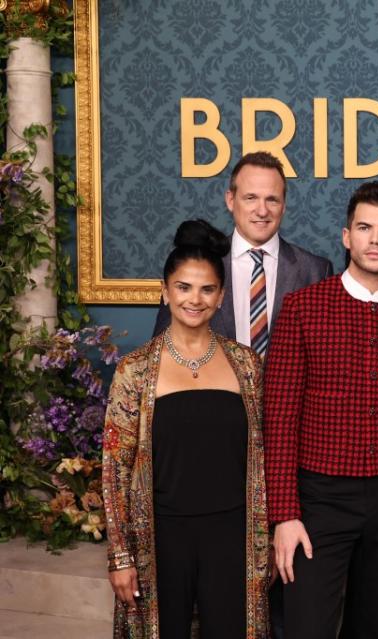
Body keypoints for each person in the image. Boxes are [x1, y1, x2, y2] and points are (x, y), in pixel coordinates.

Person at [263, 182, 378, 639]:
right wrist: (284, 514)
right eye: (364, 227)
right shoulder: (303, 308)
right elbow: (280, 417)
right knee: (307, 626)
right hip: (317, 498)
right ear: (346, 236)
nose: (374, 239)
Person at [102, 220, 269, 638]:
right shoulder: (135, 370)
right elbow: (114, 470)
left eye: (207, 289)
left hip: (233, 535)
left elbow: (266, 454)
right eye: (183, 287)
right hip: (160, 536)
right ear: (165, 290)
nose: (195, 299)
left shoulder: (246, 365)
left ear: (221, 296)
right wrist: (120, 557)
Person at [153, 151, 333, 356]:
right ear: (230, 200)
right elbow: (163, 346)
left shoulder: (315, 270)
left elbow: (323, 356)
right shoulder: (198, 264)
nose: (262, 211)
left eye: (272, 200)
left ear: (284, 205)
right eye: (251, 198)